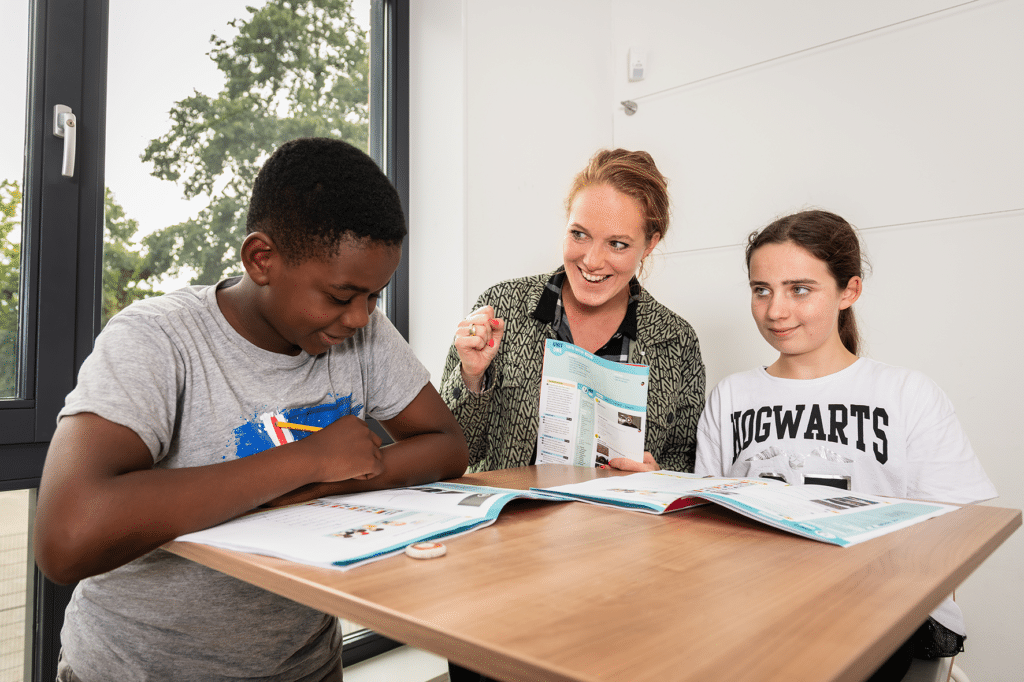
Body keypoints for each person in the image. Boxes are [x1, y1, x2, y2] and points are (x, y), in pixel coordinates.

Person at [33, 138, 469, 682]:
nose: (360, 317)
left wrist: (332, 481)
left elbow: (447, 445)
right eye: (341, 296)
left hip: (304, 668)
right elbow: (66, 538)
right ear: (261, 260)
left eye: (375, 296)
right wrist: (306, 460)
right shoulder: (157, 338)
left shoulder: (362, 334)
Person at [694, 209, 996, 682]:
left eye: (799, 289)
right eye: (761, 290)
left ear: (848, 291)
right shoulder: (731, 396)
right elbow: (707, 524)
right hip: (756, 603)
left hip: (875, 610)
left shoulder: (907, 394)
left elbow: (952, 538)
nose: (775, 310)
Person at [439, 148, 705, 475]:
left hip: (618, 510)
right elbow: (451, 454)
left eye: (617, 244)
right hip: (513, 509)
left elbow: (684, 460)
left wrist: (658, 478)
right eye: (579, 234)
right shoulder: (502, 306)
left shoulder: (677, 341)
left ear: (649, 244)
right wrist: (471, 376)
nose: (592, 261)